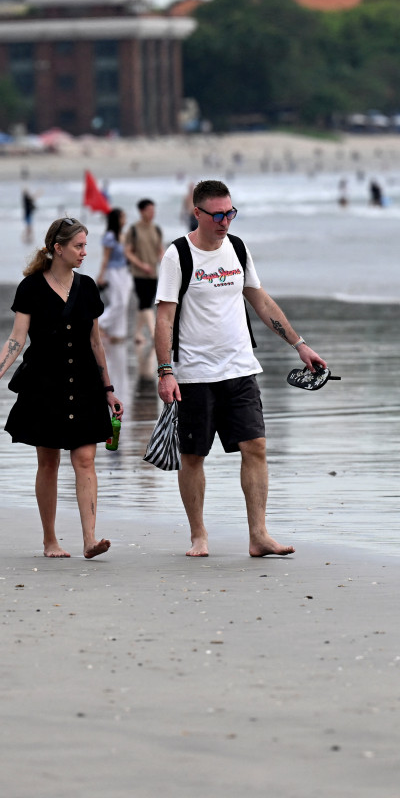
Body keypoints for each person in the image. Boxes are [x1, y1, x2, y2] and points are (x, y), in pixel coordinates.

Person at [154, 180, 327, 558]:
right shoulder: (177, 255)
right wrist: (165, 371)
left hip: (239, 368)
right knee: (194, 456)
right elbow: (164, 318)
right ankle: (198, 535)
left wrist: (299, 345)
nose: (225, 221)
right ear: (197, 213)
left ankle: (259, 535)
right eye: (217, 214)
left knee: (256, 446)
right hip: (195, 374)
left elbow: (260, 300)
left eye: (230, 213)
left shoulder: (238, 248)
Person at [0, 217, 121, 559]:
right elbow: (17, 338)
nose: (85, 252)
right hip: (45, 383)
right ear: (58, 248)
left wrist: (108, 389)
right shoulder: (30, 288)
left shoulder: (87, 288)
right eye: (79, 246)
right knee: (49, 462)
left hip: (85, 382)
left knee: (85, 459)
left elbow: (96, 343)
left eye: (86, 245)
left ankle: (89, 539)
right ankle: (50, 540)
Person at [95, 207, 134, 392]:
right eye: (123, 216)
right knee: (118, 303)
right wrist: (101, 275)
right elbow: (105, 258)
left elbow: (129, 255)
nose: (125, 219)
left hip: (125, 272)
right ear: (116, 219)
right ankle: (99, 324)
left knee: (124, 305)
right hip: (112, 271)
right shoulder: (110, 236)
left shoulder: (123, 235)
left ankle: (118, 333)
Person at [122, 198, 165, 354]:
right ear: (141, 211)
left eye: (153, 210)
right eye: (149, 210)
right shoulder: (133, 230)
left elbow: (160, 251)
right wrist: (141, 265)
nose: (152, 213)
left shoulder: (156, 229)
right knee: (146, 303)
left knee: (143, 303)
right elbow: (128, 252)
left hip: (153, 273)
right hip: (139, 273)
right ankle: (154, 334)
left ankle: (137, 333)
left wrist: (165, 264)